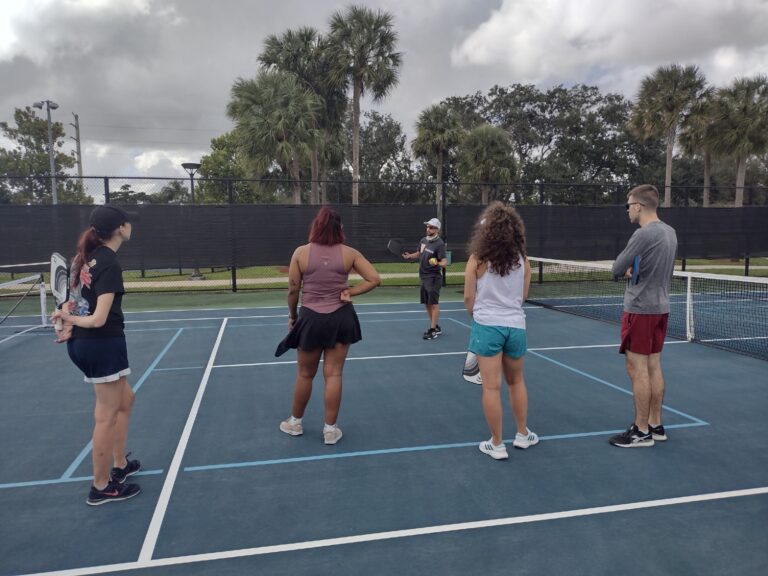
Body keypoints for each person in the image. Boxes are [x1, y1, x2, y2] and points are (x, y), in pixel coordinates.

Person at [52, 205, 142, 505]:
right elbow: (98, 318)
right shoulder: (108, 263)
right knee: (106, 416)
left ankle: (119, 465)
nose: (131, 227)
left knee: (126, 400)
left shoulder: (83, 260)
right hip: (101, 343)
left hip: (87, 343)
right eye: (128, 223)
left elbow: (70, 304)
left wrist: (66, 320)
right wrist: (73, 322)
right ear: (120, 229)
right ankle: (101, 487)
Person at [276, 207, 380, 445]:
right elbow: (374, 279)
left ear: (316, 227)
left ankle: (294, 423)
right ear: (339, 229)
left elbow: (293, 290)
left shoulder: (301, 253)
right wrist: (350, 291)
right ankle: (330, 430)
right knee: (334, 374)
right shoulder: (350, 253)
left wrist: (292, 316)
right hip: (341, 318)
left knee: (305, 374)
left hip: (311, 318)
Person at [463, 202, 539, 461]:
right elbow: (524, 295)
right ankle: (521, 434)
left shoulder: (477, 259)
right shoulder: (523, 259)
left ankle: (497, 443)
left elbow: (468, 298)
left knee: (491, 388)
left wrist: (478, 316)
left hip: (488, 326)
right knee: (516, 381)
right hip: (515, 326)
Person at [609, 184, 678, 448]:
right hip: (661, 308)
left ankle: (640, 431)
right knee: (653, 366)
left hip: (640, 309)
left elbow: (616, 267)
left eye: (628, 205)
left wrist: (624, 271)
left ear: (638, 206)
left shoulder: (643, 234)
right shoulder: (670, 233)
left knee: (636, 369)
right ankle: (655, 424)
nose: (627, 210)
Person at [402, 217, 448, 340]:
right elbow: (419, 253)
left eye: (431, 227)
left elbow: (444, 262)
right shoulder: (423, 240)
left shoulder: (439, 244)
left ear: (437, 229)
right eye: (427, 226)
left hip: (433, 277)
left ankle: (432, 331)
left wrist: (437, 263)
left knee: (433, 304)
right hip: (423, 276)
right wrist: (409, 256)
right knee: (427, 304)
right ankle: (435, 326)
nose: (428, 228)